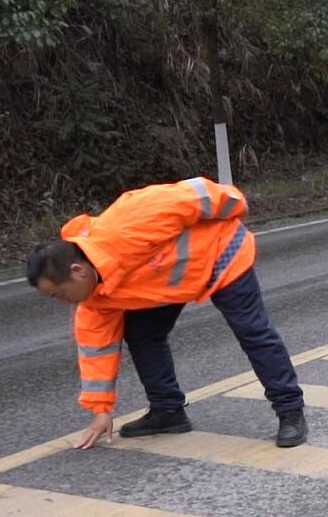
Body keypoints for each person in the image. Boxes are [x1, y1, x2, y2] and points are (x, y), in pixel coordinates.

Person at [25, 177, 307, 450]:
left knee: (252, 331)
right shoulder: (94, 299)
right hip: (171, 284)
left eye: (58, 294)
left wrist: (235, 205)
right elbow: (96, 352)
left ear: (78, 271)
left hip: (221, 254)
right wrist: (101, 410)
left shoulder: (127, 221)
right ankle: (167, 410)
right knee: (142, 333)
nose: (63, 303)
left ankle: (290, 410)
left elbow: (193, 193)